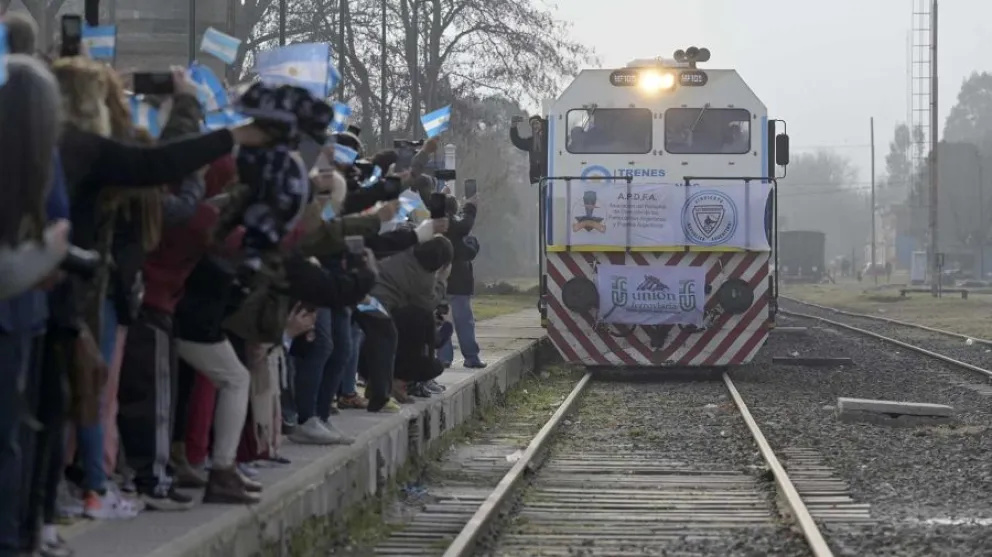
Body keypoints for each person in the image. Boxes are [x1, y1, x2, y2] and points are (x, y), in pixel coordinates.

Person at [438, 195, 485, 369]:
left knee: (442, 320)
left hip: (439, 283)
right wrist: (470, 208)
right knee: (464, 322)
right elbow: (469, 252)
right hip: (459, 283)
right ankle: (471, 357)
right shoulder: (457, 232)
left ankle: (443, 357)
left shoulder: (434, 227)